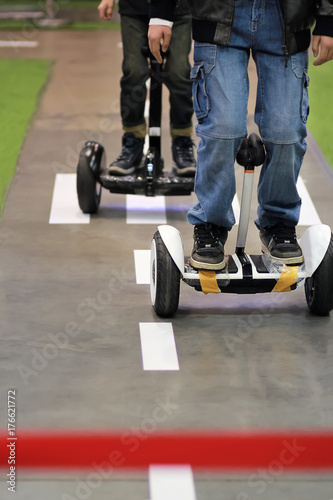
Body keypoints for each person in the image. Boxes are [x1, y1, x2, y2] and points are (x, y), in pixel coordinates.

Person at [148, 0, 333, 270]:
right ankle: (210, 224)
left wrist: (328, 19)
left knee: (286, 133)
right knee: (222, 129)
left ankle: (278, 223)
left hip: (286, 18)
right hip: (219, 12)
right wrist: (161, 14)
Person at [98, 0, 196, 177]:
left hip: (178, 9)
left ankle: (182, 141)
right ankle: (133, 142)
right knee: (133, 73)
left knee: (179, 73)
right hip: (134, 9)